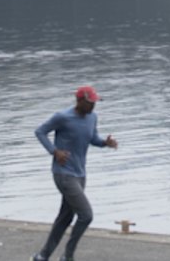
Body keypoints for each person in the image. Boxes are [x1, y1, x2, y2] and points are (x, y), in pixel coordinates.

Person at [30, 86, 118, 261]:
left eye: (95, 103)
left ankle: (42, 256)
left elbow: (92, 138)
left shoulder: (92, 117)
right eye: (90, 103)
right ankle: (67, 256)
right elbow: (40, 132)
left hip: (80, 174)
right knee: (86, 215)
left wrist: (105, 143)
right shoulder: (62, 117)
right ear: (79, 101)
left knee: (65, 217)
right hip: (63, 173)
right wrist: (55, 151)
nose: (93, 106)